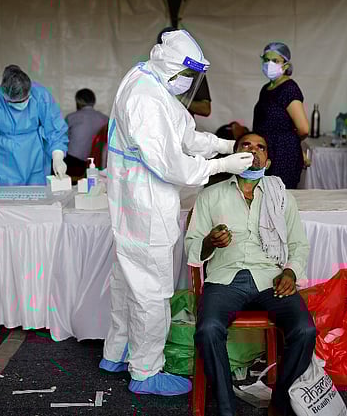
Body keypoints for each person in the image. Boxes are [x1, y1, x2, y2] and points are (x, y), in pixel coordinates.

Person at [100, 29, 255, 396]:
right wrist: (224, 165)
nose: (189, 84)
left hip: (133, 200)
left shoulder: (148, 78)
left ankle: (116, 352)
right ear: (174, 69)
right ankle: (146, 372)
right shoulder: (144, 97)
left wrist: (223, 144)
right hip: (145, 203)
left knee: (128, 281)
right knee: (152, 288)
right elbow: (174, 164)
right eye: (188, 76)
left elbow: (183, 134)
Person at [185, 133, 316, 416]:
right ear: (233, 156)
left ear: (267, 161)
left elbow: (298, 244)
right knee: (208, 330)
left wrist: (291, 273)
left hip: (271, 278)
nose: (253, 151)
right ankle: (226, 409)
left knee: (305, 330)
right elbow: (191, 245)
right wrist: (209, 241)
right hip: (224, 279)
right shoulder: (210, 195)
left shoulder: (281, 197)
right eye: (246, 145)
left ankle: (279, 404)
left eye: (260, 147)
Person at [0, 65, 69, 186]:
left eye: (24, 99)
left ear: (29, 90)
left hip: (34, 156)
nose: (21, 105)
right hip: (3, 162)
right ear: (4, 95)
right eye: (14, 102)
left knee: (37, 199)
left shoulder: (40, 94)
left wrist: (58, 157)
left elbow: (55, 128)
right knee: (5, 201)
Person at [253, 42, 310, 189]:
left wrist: (290, 142)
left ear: (285, 65)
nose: (269, 64)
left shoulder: (289, 89)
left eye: (275, 61)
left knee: (279, 198)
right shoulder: (266, 89)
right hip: (267, 152)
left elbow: (303, 129)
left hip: (283, 154)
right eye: (266, 59)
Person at [158, 26, 212, 118]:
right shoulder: (151, 69)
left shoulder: (192, 70)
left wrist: (178, 98)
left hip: (184, 127)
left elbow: (205, 109)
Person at [64, 88, 109, 177]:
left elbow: (62, 140)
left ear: (78, 101)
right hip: (97, 162)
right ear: (93, 101)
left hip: (75, 163)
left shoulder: (71, 118)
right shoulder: (105, 119)